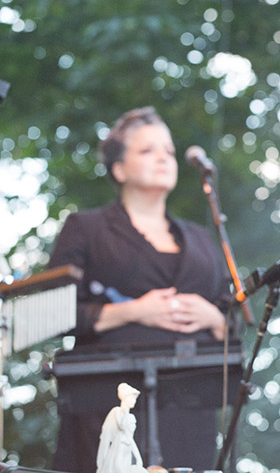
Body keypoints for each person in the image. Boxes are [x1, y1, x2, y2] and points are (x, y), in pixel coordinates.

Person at [48, 107, 235, 473]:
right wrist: (133, 311)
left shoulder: (202, 238)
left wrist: (215, 318)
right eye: (148, 150)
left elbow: (236, 319)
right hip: (109, 405)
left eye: (169, 151)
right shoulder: (87, 228)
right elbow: (52, 311)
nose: (164, 157)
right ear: (119, 169)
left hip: (191, 408)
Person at [96, 383, 144, 473]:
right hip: (119, 449)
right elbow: (122, 425)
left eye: (135, 399)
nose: (134, 401)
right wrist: (125, 410)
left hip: (127, 450)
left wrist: (138, 457)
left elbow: (130, 439)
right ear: (125, 398)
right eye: (132, 398)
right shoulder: (117, 412)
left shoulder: (131, 417)